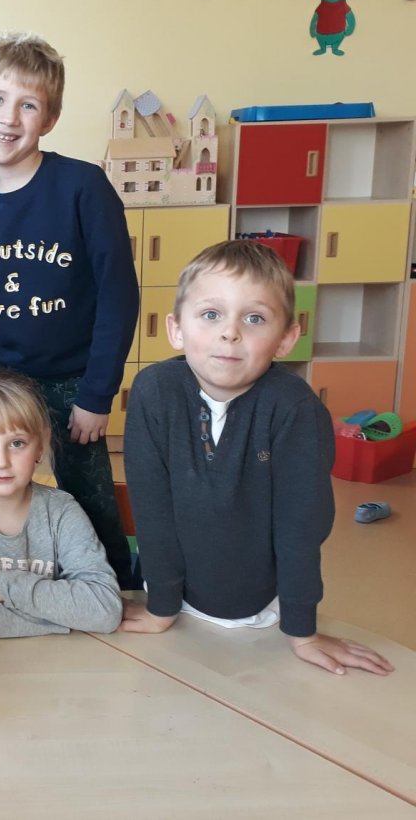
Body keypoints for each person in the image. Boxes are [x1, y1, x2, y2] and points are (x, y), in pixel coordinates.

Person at [121, 241, 393, 676]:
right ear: (176, 329)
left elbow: (300, 528)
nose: (230, 333)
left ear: (286, 338)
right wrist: (161, 607)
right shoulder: (153, 391)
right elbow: (153, 510)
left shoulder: (296, 410)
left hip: (261, 612)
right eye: (211, 314)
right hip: (170, 599)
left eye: (254, 318)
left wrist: (303, 632)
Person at [0, 31, 140, 589]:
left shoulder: (82, 187)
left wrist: (97, 394)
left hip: (71, 376)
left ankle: (115, 585)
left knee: (89, 491)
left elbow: (118, 295)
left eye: (28, 105)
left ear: (48, 119)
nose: (8, 117)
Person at [0, 371, 121, 637]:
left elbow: (104, 609)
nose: (1, 462)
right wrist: (63, 620)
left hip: (56, 658)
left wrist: (2, 584)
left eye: (17, 443)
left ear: (40, 447)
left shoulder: (61, 511)